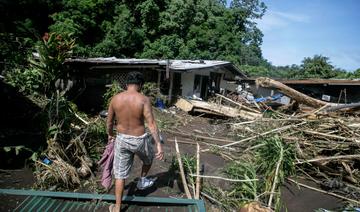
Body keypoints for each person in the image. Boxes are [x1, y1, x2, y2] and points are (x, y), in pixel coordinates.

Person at [107, 72, 164, 212]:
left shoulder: (115, 99)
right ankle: (142, 180)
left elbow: (109, 122)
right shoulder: (143, 99)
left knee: (120, 175)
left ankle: (118, 207)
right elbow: (151, 124)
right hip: (139, 139)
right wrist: (158, 144)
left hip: (122, 139)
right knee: (148, 158)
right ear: (140, 85)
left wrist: (110, 134)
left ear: (126, 84)